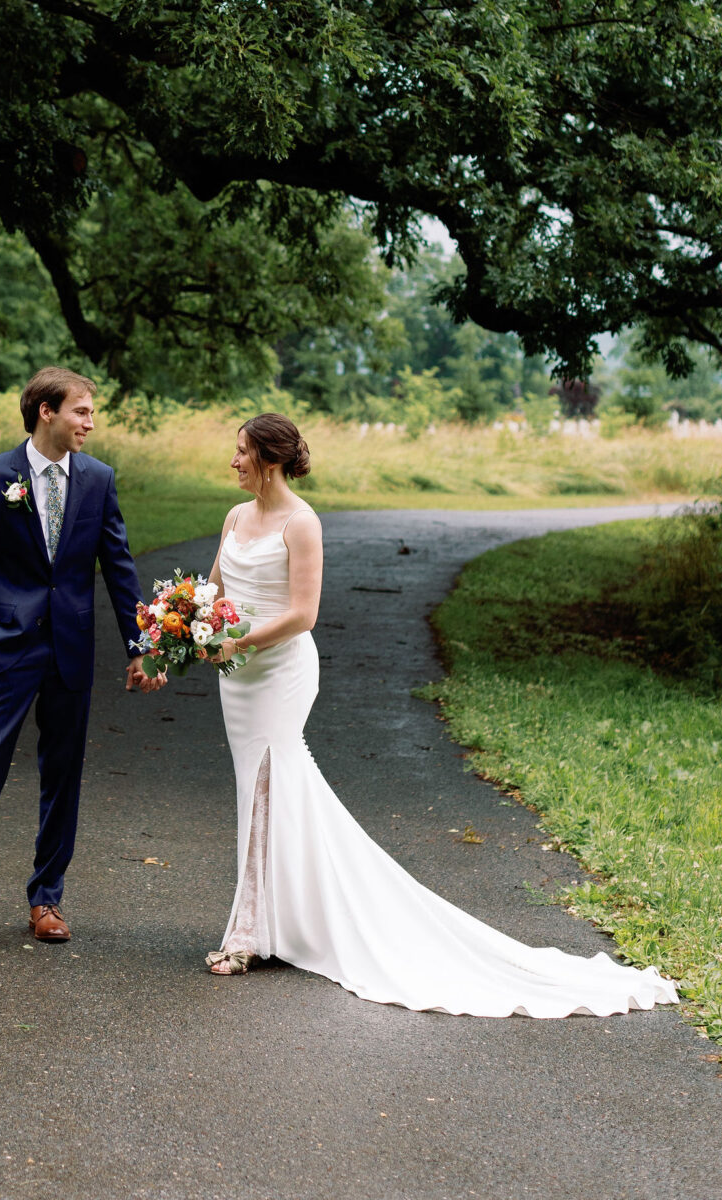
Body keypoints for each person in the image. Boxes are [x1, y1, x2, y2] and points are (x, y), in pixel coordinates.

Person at [203, 411, 679, 1016]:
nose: (234, 462)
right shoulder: (235, 517)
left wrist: (240, 642)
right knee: (261, 788)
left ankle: (249, 933)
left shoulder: (302, 523)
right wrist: (181, 628)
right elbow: (214, 593)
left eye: (242, 452)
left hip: (279, 671)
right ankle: (276, 921)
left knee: (270, 780)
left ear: (269, 460)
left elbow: (304, 614)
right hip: (237, 679)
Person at [0, 368, 164, 952]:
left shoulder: (99, 479)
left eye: (91, 412)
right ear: (46, 413)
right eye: (81, 411)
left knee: (62, 776)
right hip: (8, 645)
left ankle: (46, 900)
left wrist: (139, 645)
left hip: (71, 648)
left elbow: (119, 565)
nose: (90, 422)